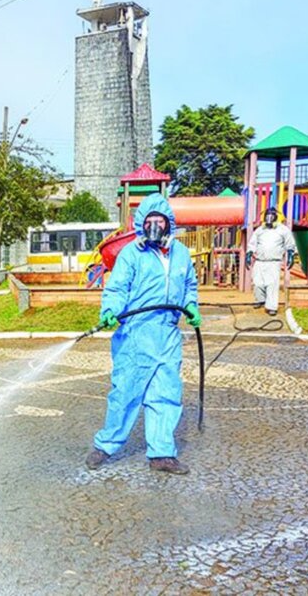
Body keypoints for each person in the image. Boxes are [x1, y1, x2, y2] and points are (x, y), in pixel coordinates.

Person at [85, 193, 200, 475]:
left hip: (168, 334)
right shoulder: (131, 255)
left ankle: (161, 454)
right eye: (149, 220)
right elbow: (117, 288)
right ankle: (105, 445)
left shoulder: (181, 253)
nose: (155, 226)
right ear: (141, 223)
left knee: (166, 393)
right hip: (136, 333)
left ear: (168, 223)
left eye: (159, 220)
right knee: (125, 393)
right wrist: (110, 309)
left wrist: (191, 306)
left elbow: (189, 285)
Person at [247, 206, 296, 316]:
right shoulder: (260, 230)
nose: (269, 218)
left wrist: (291, 255)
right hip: (259, 261)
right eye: (267, 216)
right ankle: (260, 299)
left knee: (272, 284)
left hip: (274, 262)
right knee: (257, 282)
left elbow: (290, 244)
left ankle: (271, 306)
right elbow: (252, 243)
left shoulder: (283, 230)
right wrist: (249, 254)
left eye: (271, 216)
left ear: (275, 217)